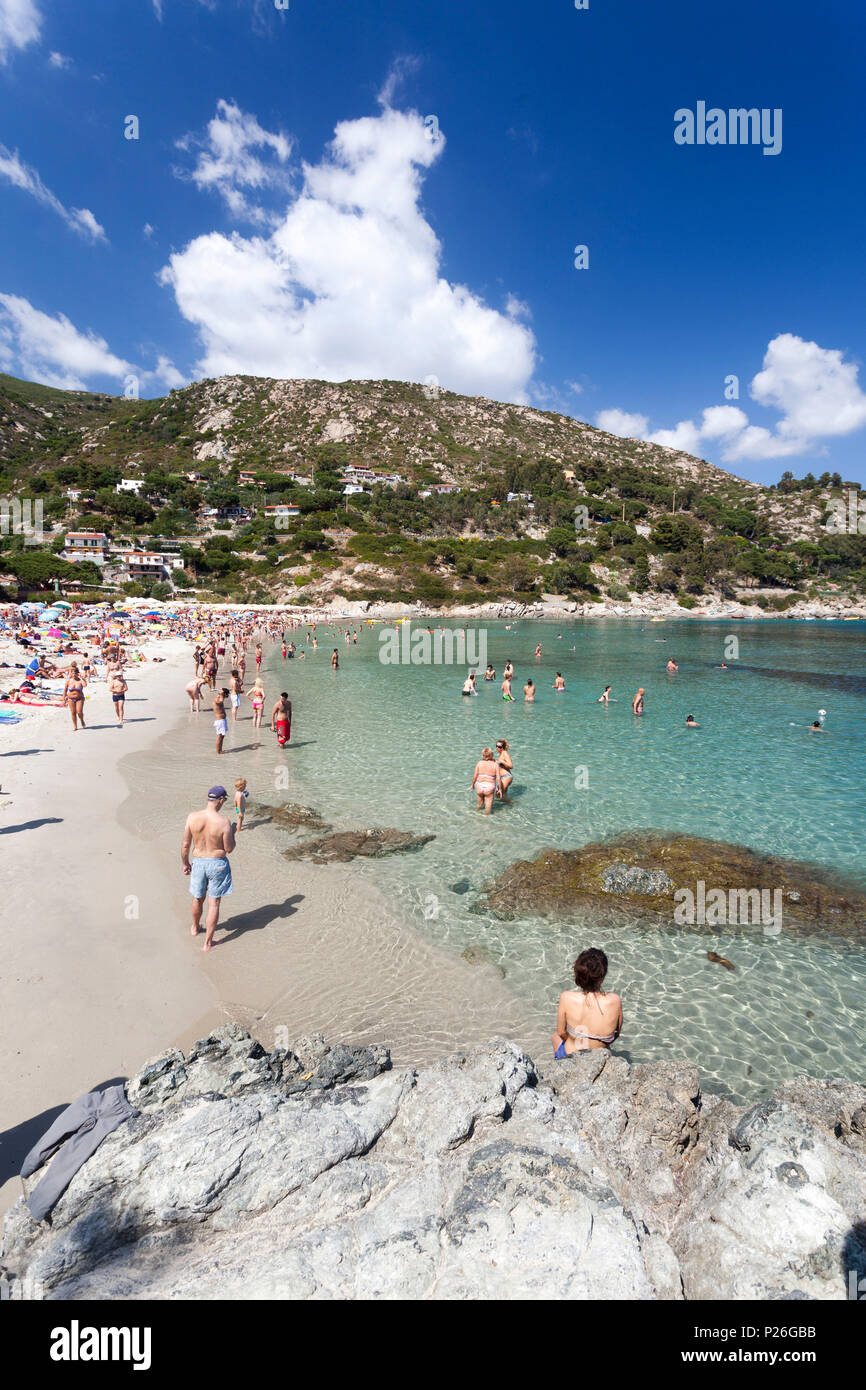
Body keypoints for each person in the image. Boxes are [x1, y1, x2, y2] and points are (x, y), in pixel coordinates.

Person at [181, 786, 236, 952]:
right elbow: (229, 848)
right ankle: (207, 943)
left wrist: (185, 863)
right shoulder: (224, 822)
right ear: (220, 801)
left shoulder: (192, 817)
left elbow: (185, 845)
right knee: (214, 904)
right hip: (217, 863)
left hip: (198, 862)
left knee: (198, 898)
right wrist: (232, 832)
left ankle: (195, 927)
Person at [551, 948, 622, 1057]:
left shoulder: (566, 997)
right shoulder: (615, 1000)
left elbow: (561, 1033)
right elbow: (616, 1034)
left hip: (571, 1055)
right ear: (602, 977)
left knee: (555, 1037)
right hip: (599, 1057)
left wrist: (575, 1040)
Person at [470, 747, 501, 814]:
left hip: (479, 786)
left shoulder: (479, 763)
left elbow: (475, 776)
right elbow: (498, 778)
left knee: (479, 805)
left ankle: (473, 815)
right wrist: (500, 789)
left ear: (483, 755)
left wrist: (472, 785)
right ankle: (486, 822)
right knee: (488, 809)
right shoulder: (495, 765)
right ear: (491, 755)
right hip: (489, 787)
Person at [63, 665, 86, 731]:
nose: (73, 675)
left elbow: (85, 685)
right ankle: (75, 726)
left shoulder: (80, 681)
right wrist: (63, 699)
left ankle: (82, 720)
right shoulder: (68, 681)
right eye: (72, 673)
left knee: (79, 712)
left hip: (80, 698)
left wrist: (83, 678)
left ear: (77, 673)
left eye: (74, 673)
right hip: (70, 698)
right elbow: (65, 691)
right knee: (73, 712)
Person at [213, 688, 229, 754]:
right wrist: (222, 694)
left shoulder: (220, 697)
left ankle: (220, 751)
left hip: (222, 720)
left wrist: (223, 694)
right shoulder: (217, 698)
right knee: (219, 737)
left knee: (222, 737)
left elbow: (222, 700)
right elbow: (220, 702)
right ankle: (218, 752)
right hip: (220, 721)